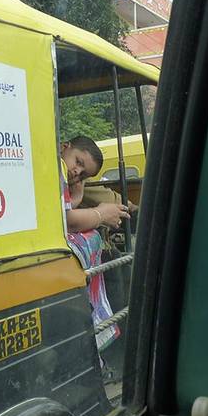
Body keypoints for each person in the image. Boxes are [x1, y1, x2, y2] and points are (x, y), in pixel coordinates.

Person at [59, 136, 129, 352]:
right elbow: (66, 221)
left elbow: (63, 211)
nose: (76, 172)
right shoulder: (54, 168)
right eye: (78, 162)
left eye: (83, 174)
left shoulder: (65, 181)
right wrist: (100, 215)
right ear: (64, 147)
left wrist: (77, 197)